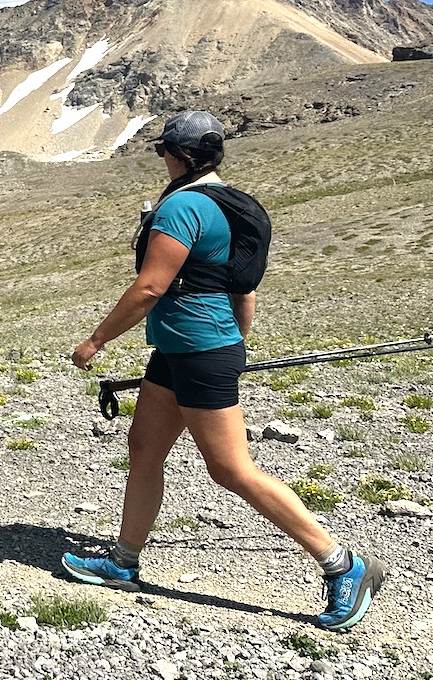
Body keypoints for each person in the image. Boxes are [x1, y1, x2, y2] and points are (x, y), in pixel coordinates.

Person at [60, 110, 384, 631]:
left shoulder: (183, 206)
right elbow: (243, 287)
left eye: (164, 151)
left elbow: (149, 288)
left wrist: (96, 340)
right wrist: (235, 343)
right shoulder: (229, 205)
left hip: (197, 351)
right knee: (144, 448)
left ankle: (344, 564)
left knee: (231, 469)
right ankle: (122, 562)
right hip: (187, 349)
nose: (162, 159)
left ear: (178, 155)